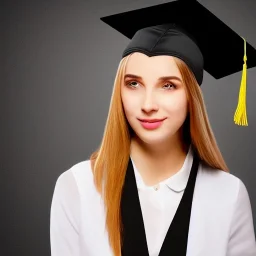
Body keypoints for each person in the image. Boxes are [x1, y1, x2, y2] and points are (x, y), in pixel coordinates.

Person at [50, 1, 256, 255]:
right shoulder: (78, 187)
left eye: (168, 85)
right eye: (134, 83)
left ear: (192, 96)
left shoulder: (228, 194)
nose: (148, 104)